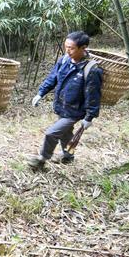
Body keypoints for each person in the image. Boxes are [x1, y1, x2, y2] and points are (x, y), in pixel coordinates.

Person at [28, 31, 103, 170]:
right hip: (61, 105)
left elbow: (93, 95)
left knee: (51, 133)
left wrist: (89, 117)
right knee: (66, 133)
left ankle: (41, 160)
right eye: (66, 47)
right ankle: (68, 156)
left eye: (72, 48)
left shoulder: (91, 69)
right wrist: (41, 93)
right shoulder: (64, 60)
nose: (68, 51)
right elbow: (53, 78)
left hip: (75, 110)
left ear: (83, 47)